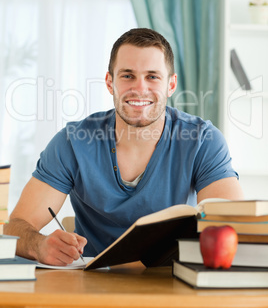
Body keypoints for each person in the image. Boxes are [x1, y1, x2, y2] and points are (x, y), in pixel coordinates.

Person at [4, 28, 243, 266]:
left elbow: (230, 226)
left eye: (152, 76)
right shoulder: (72, 142)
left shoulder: (203, 140)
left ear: (171, 84)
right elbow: (16, 226)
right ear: (110, 82)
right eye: (128, 76)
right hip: (94, 287)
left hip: (172, 284)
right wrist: (39, 245)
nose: (139, 88)